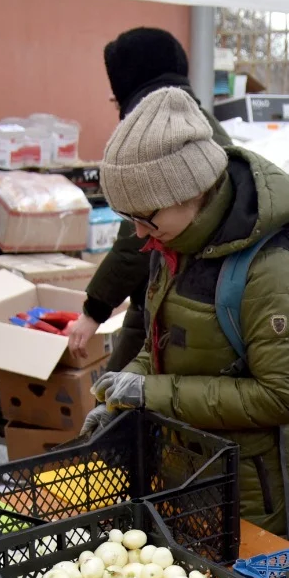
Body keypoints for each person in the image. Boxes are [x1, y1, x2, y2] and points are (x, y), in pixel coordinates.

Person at [83, 86, 289, 535]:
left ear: (191, 190)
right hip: (185, 473)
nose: (138, 232)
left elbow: (281, 396)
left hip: (250, 494)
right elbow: (162, 345)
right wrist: (119, 394)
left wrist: (149, 394)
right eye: (129, 218)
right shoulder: (176, 243)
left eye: (145, 217)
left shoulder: (269, 266)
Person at [68, 27, 233, 369]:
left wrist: (93, 310)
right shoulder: (202, 127)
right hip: (175, 301)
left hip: (175, 305)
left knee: (121, 406)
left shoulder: (162, 144)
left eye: (116, 93)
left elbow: (136, 243)